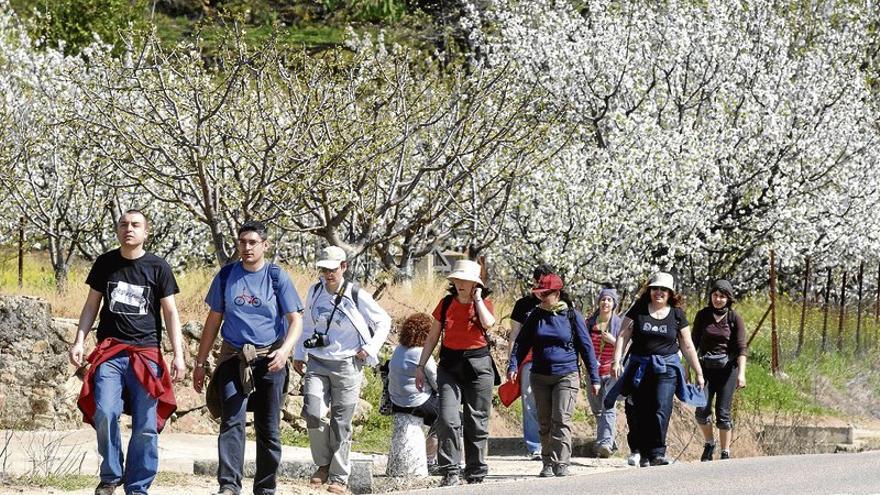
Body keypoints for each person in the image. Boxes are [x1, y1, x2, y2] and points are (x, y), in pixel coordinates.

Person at [69, 209, 186, 495]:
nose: (128, 229)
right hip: (110, 352)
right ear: (118, 230)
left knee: (146, 425)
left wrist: (178, 354)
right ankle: (110, 477)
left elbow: (170, 313)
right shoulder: (105, 264)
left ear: (146, 232)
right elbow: (91, 306)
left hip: (146, 354)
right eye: (123, 224)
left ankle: (137, 486)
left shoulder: (158, 267)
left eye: (135, 225)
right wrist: (79, 340)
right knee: (106, 412)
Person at [192, 221, 304, 495]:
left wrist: (285, 350)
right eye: (242, 242)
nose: (247, 247)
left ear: (265, 245)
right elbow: (213, 320)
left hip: (270, 359)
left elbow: (295, 320)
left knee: (268, 426)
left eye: (253, 242)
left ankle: (265, 487)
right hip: (234, 357)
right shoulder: (226, 276)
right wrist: (200, 361)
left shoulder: (277, 277)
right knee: (232, 420)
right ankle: (229, 486)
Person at [293, 246, 391, 494]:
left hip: (348, 363)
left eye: (332, 269)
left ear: (344, 267)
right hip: (317, 360)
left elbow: (383, 321)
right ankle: (323, 463)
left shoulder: (356, 294)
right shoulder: (315, 291)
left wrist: (369, 349)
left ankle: (338, 477)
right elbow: (307, 324)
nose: (327, 274)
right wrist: (299, 353)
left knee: (341, 422)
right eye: (324, 269)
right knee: (313, 412)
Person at [608, 272, 706, 467]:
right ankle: (643, 453)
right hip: (640, 366)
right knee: (641, 410)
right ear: (650, 290)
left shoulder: (677, 314)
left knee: (662, 408)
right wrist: (616, 360)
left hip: (667, 367)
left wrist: (698, 371)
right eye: (655, 289)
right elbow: (622, 335)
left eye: (663, 290)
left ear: (670, 293)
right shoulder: (638, 309)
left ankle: (658, 452)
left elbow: (687, 345)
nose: (658, 293)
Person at [508, 273, 600, 477]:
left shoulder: (572, 316)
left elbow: (587, 348)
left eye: (546, 294)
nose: (542, 297)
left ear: (557, 293)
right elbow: (522, 342)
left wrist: (594, 378)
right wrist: (513, 365)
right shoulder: (536, 315)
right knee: (544, 421)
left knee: (561, 418)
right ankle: (547, 462)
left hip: (566, 374)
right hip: (539, 375)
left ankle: (562, 463)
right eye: (540, 293)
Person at [415, 259, 497, 487]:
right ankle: (450, 469)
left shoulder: (484, 303)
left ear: (475, 284)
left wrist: (478, 299)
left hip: (479, 366)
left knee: (476, 420)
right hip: (449, 366)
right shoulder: (445, 304)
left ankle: (476, 470)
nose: (460, 283)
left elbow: (489, 324)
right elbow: (432, 337)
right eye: (457, 279)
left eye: (466, 281)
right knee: (448, 418)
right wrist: (420, 366)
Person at [691, 279, 747, 461]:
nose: (718, 299)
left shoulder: (734, 318)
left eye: (722, 296)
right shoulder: (703, 315)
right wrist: (687, 369)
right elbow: (692, 344)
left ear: (728, 299)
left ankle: (725, 452)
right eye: (715, 295)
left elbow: (741, 348)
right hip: (704, 369)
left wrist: (741, 374)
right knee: (701, 411)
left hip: (727, 372)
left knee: (723, 413)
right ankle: (709, 443)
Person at [508, 264, 554, 460]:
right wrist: (511, 362)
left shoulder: (559, 303)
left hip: (553, 358)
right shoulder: (522, 305)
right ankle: (535, 445)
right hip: (527, 359)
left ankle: (553, 442)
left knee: (553, 401)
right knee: (529, 402)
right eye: (539, 283)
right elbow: (514, 336)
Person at [387, 313, 439, 471]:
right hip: (416, 402)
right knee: (450, 417)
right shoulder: (422, 354)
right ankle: (430, 459)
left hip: (396, 401)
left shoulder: (398, 350)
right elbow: (437, 383)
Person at [584, 287, 623, 458]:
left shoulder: (619, 324)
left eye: (609, 300)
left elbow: (626, 347)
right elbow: (583, 346)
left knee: (608, 405)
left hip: (611, 370)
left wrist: (613, 341)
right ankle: (608, 439)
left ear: (614, 304)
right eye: (603, 299)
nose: (605, 303)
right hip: (593, 371)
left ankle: (605, 443)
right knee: (597, 408)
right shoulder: (590, 323)